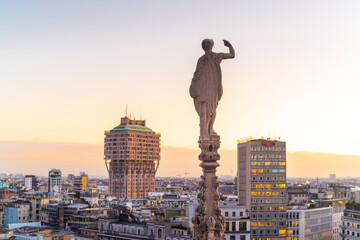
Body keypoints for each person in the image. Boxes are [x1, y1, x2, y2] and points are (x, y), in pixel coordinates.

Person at [190, 39, 235, 140]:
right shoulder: (217, 56)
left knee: (209, 109)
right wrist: (229, 45)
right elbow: (232, 54)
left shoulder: (201, 59)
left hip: (206, 88)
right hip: (212, 88)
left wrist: (194, 85)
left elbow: (197, 75)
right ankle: (209, 129)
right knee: (213, 109)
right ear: (212, 45)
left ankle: (208, 129)